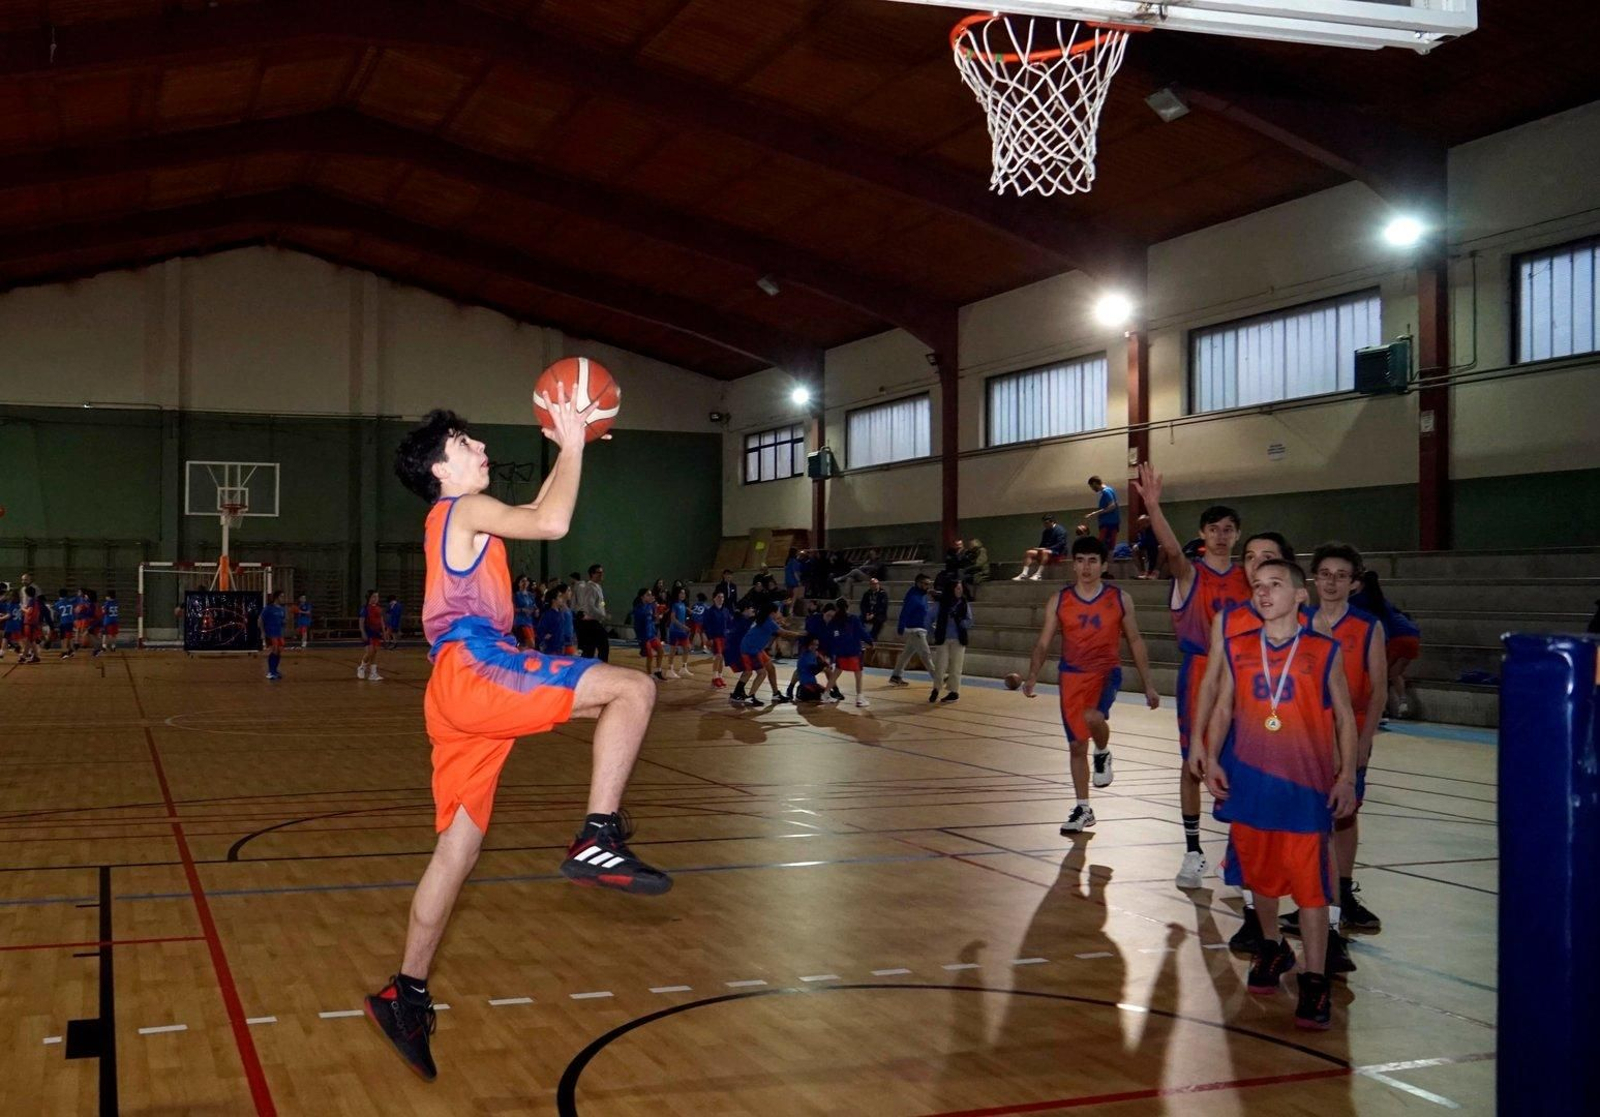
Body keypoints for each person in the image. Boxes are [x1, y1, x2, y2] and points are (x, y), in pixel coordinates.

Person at [367, 402, 669, 1081]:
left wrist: (570, 446)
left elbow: (535, 507)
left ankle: (404, 994)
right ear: (441, 468)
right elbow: (553, 521)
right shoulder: (462, 509)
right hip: (478, 667)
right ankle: (597, 833)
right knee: (635, 690)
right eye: (464, 441)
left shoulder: (460, 520)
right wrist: (574, 445)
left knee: (458, 849)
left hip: (455, 689)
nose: (479, 446)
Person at [1202, 558, 1358, 1030]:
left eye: (1275, 585)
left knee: (1311, 890)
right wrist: (1210, 757)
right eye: (1257, 587)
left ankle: (1314, 979)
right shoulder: (1236, 648)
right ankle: (1272, 948)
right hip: (1249, 782)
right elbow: (1224, 706)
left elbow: (1347, 718)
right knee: (1260, 879)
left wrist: (1347, 775)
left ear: (1299, 595)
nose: (1264, 593)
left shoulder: (1324, 651)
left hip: (1305, 788)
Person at [1132, 462, 1251, 891]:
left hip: (1243, 677)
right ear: (1203, 534)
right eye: (1214, 528)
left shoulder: (1250, 579)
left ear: (1237, 535)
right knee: (1193, 763)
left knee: (1244, 765)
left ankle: (1237, 859)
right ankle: (1194, 851)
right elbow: (1172, 550)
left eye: (1228, 529)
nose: (1221, 534)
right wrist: (1153, 505)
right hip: (1201, 672)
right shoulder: (1190, 574)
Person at [1273, 542, 1388, 961]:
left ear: (1354, 583)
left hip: (1349, 734)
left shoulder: (1368, 626)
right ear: (1313, 580)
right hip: (1305, 736)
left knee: (1344, 814)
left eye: (1341, 575)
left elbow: (1377, 690)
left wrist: (1364, 742)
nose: (1333, 581)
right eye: (1325, 574)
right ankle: (1313, 901)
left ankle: (1340, 896)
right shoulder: (1298, 621)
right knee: (1309, 821)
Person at [1183, 530, 1297, 951]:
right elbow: (1212, 686)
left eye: (1267, 557)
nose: (1255, 565)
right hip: (1243, 742)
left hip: (1295, 746)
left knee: (1297, 839)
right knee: (1246, 832)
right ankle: (1256, 916)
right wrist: (1199, 742)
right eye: (1249, 557)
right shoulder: (1229, 620)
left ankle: (1323, 925)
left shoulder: (1306, 619)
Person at [1024, 536, 1160, 833]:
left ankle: (1103, 751)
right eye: (1081, 560)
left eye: (1093, 561)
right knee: (1075, 746)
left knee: (1093, 717)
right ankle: (1083, 808)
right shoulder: (1059, 600)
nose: (1086, 566)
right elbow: (1044, 641)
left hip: (1104, 672)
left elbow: (1135, 640)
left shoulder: (1119, 598)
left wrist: (1149, 684)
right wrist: (1032, 675)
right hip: (1070, 676)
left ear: (1103, 565)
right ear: (1074, 565)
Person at [1351, 571, 1421, 719]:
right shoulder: (1382, 600)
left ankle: (1381, 710)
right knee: (1394, 673)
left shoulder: (1358, 599)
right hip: (1413, 636)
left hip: (1394, 638)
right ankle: (1402, 702)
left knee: (1378, 676)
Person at [731, 600, 802, 708]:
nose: (779, 614)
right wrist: (800, 634)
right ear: (772, 613)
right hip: (751, 649)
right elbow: (783, 633)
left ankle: (775, 694)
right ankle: (750, 696)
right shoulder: (768, 621)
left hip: (755, 648)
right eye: (777, 612)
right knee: (761, 673)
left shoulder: (765, 619)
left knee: (770, 667)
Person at [886, 572, 936, 688]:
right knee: (926, 654)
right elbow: (905, 612)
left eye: (929, 584)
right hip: (916, 630)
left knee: (906, 654)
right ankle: (937, 677)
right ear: (918, 584)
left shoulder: (922, 595)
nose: (928, 586)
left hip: (920, 628)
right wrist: (900, 627)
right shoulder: (913, 597)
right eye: (925, 584)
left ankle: (896, 676)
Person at [929, 580, 973, 703]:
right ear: (951, 589)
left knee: (956, 667)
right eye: (957, 588)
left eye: (961, 589)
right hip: (943, 639)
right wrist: (933, 632)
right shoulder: (941, 603)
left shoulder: (964, 603)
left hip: (958, 639)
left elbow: (969, 621)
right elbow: (928, 618)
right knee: (940, 666)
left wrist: (960, 621)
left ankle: (954, 691)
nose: (960, 591)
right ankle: (936, 689)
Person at [825, 597, 873, 707]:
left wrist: (832, 651)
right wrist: (870, 641)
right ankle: (859, 698)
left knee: (837, 672)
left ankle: (826, 694)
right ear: (848, 607)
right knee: (858, 673)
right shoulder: (853, 619)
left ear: (836, 607)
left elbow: (830, 636)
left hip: (840, 651)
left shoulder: (833, 621)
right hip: (853, 650)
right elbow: (862, 632)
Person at [571, 564, 610, 662]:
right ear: (592, 574)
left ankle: (593, 668)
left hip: (592, 621)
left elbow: (600, 603)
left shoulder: (597, 587)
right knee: (598, 647)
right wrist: (602, 615)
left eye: (602, 572)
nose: (601, 574)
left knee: (591, 648)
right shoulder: (590, 588)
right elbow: (589, 606)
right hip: (589, 622)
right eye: (599, 572)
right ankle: (598, 668)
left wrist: (602, 611)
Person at [1014, 515, 1068, 581]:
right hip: (1046, 550)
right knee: (1029, 552)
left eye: (1047, 523)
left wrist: (1047, 548)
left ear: (1052, 522)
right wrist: (1039, 549)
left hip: (1058, 551)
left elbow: (1061, 544)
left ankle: (1038, 574)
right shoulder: (1045, 532)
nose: (1045, 525)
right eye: (1044, 523)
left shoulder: (1060, 530)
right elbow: (1043, 543)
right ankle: (1024, 574)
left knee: (1045, 552)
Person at [631, 588, 664, 680]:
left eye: (651, 594)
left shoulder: (651, 606)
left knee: (661, 651)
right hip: (644, 636)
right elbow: (637, 625)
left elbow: (655, 620)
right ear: (642, 597)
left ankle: (658, 671)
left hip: (652, 634)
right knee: (650, 656)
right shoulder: (638, 609)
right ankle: (649, 674)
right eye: (648, 595)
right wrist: (640, 638)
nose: (651, 596)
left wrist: (658, 614)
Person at [703, 589, 731, 688]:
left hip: (724, 637)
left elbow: (730, 623)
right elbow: (706, 625)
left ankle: (720, 677)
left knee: (722, 658)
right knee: (718, 656)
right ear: (714, 599)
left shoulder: (726, 610)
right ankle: (714, 678)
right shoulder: (710, 611)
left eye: (722, 597)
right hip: (715, 637)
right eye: (718, 597)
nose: (721, 599)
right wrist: (709, 638)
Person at [792, 633, 831, 703]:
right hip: (806, 686)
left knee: (827, 692)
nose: (815, 647)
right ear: (808, 644)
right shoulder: (805, 655)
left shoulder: (812, 654)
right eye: (813, 644)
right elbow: (813, 670)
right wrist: (823, 664)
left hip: (811, 683)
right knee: (821, 694)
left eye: (817, 645)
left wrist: (823, 663)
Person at [665, 586, 693, 679]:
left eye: (684, 593)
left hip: (682, 631)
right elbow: (673, 619)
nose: (683, 595)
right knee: (673, 650)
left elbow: (687, 615)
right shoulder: (674, 605)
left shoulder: (683, 605)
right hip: (675, 630)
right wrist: (683, 626)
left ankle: (683, 668)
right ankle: (669, 670)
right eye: (681, 593)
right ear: (677, 594)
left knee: (686, 648)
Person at [1086, 475, 1121, 549]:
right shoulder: (1109, 490)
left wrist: (1096, 513)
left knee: (1104, 547)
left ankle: (1108, 560)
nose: (1092, 489)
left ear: (1095, 483)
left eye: (1091, 486)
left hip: (1109, 524)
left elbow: (1112, 506)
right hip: (1110, 523)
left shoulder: (1106, 491)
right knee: (1108, 547)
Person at [357, 590, 385, 681]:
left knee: (375, 651)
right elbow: (361, 621)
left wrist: (384, 632)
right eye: (374, 597)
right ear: (369, 598)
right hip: (368, 631)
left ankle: (373, 673)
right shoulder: (365, 608)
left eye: (377, 597)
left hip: (376, 632)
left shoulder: (379, 608)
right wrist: (363, 632)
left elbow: (381, 620)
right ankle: (362, 667)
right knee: (369, 651)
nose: (376, 599)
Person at [261, 590, 287, 680]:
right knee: (274, 650)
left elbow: (283, 621)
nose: (283, 599)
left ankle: (275, 670)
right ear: (276, 598)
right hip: (271, 632)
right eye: (281, 596)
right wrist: (262, 632)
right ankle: (270, 671)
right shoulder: (269, 608)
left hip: (278, 633)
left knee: (279, 650)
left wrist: (283, 624)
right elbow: (260, 620)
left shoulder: (281, 609)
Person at [536, 584, 568, 655]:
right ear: (553, 600)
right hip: (551, 650)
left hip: (560, 648)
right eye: (560, 596)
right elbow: (540, 630)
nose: (562, 598)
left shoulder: (560, 613)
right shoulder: (548, 614)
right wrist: (545, 637)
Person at [512, 575, 538, 648]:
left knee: (530, 645)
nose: (525, 583)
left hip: (530, 622)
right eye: (522, 581)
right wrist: (522, 610)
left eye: (526, 581)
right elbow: (512, 609)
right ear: (519, 583)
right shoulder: (516, 595)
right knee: (530, 644)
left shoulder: (530, 595)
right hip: (521, 622)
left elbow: (534, 605)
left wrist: (536, 610)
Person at [860, 578, 889, 642]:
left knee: (878, 620)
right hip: (868, 613)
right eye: (873, 584)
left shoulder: (883, 594)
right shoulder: (867, 593)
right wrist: (866, 613)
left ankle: (872, 636)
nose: (875, 585)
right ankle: (864, 634)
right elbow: (863, 605)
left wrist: (874, 614)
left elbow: (883, 607)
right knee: (859, 619)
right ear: (870, 585)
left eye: (876, 584)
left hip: (879, 614)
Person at [1134, 514, 1160, 579]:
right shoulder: (1142, 531)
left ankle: (1155, 572)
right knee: (1135, 550)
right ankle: (1142, 572)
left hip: (1156, 548)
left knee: (1162, 548)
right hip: (1148, 549)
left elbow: (1152, 541)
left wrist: (1140, 545)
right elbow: (1142, 541)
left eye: (1142, 523)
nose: (1140, 525)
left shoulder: (1155, 529)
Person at [54, 589, 75, 659]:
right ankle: (71, 650)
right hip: (70, 621)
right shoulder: (71, 601)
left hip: (63, 621)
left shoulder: (57, 603)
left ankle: (64, 652)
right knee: (69, 636)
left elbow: (57, 614)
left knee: (64, 637)